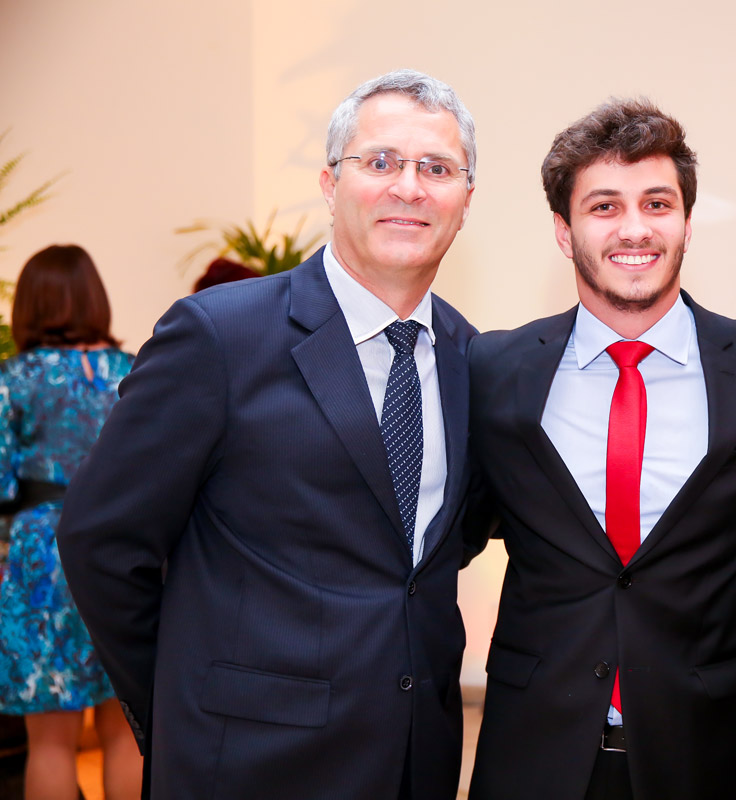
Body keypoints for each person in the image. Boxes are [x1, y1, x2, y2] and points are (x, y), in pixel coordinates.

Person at [57, 69, 478, 800]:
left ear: (466, 199)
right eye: (380, 161)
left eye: (437, 168)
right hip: (246, 764)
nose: (409, 187)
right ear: (330, 184)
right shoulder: (219, 336)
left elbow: (432, 554)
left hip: (418, 761)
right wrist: (181, 705)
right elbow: (102, 541)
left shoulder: (473, 358)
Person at [464, 100, 736, 800]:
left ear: (686, 222)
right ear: (564, 231)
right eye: (605, 206)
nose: (635, 228)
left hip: (701, 748)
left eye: (657, 203)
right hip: (533, 746)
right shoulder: (495, 370)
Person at [0, 244, 141, 800]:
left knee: (51, 743)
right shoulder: (134, 371)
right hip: (123, 551)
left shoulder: (15, 379)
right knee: (127, 733)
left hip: (42, 555)